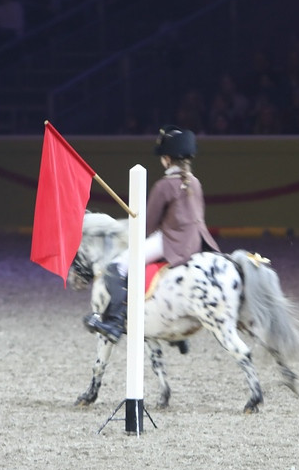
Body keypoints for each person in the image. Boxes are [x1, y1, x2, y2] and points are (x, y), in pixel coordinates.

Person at [84, 125, 220, 343]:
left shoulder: (164, 185)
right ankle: (175, 334)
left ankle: (114, 321)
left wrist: (124, 231)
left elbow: (146, 226)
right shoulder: (195, 182)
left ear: (167, 159)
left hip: (172, 242)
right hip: (198, 242)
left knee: (116, 267)